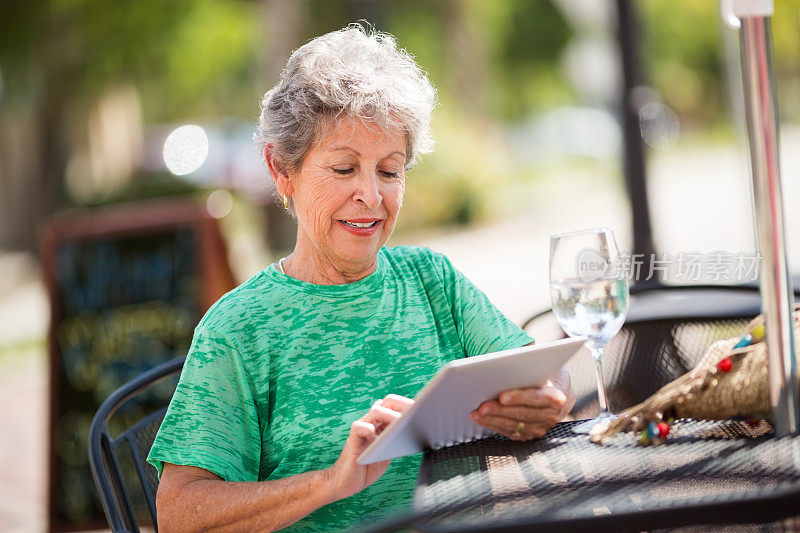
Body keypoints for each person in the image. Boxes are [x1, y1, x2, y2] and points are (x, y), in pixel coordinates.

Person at [148, 24, 574, 532]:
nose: (371, 196)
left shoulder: (432, 281)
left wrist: (550, 397)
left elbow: (543, 373)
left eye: (390, 172)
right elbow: (178, 515)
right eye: (345, 169)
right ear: (282, 172)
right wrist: (330, 482)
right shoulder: (241, 328)